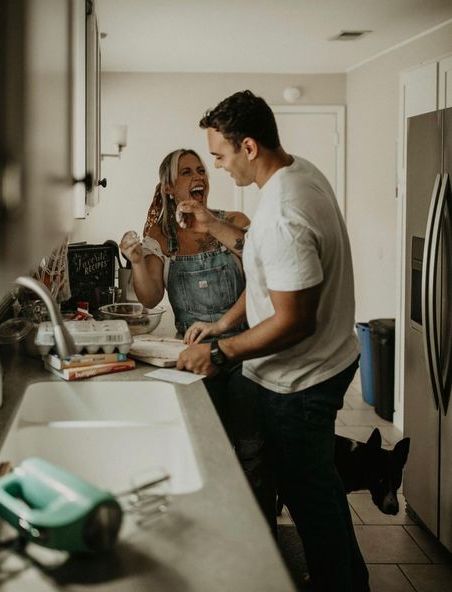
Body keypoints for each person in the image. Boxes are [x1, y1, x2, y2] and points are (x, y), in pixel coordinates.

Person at [177, 91, 370, 592]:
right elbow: (268, 269)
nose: (216, 168)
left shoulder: (284, 210)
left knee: (312, 507)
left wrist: (219, 352)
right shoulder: (297, 173)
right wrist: (223, 321)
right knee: (322, 492)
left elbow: (293, 320)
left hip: (300, 382)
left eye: (218, 156)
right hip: (325, 364)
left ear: (248, 146)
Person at [119, 148, 275, 530]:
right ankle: (217, 530)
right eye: (186, 172)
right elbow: (151, 296)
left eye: (200, 169)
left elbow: (260, 285)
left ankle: (260, 535)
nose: (197, 176)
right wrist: (138, 260)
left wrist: (222, 325)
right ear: (170, 187)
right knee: (208, 447)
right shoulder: (159, 236)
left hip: (244, 349)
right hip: (193, 358)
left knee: (253, 448)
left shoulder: (233, 223)